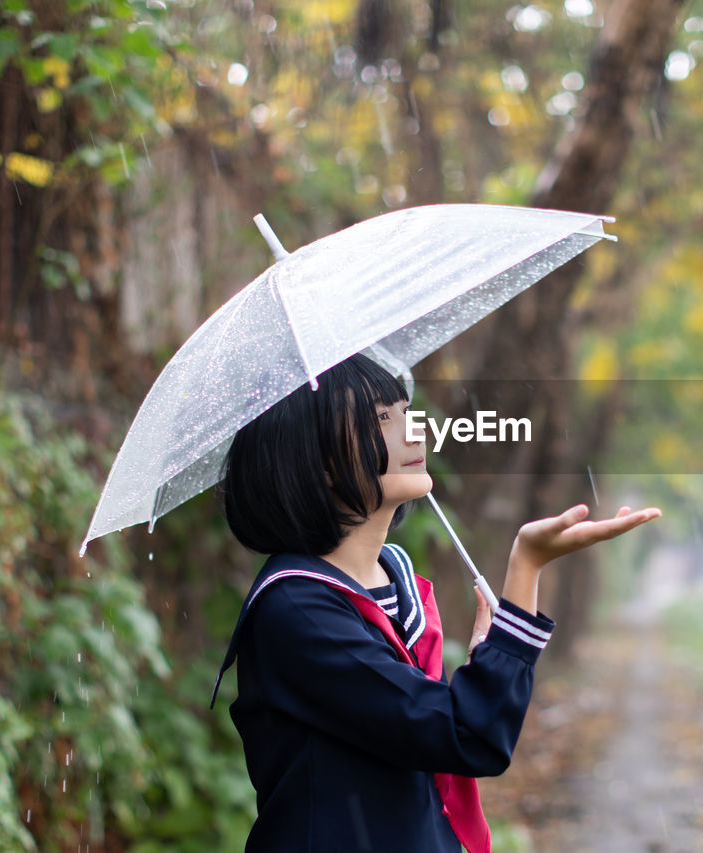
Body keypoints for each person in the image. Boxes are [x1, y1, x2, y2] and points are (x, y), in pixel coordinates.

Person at [210, 353, 659, 852]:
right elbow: (468, 734)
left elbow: (434, 738)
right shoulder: (297, 610)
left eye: (406, 412)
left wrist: (485, 662)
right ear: (319, 461)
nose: (414, 433)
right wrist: (525, 566)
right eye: (381, 419)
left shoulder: (394, 584)